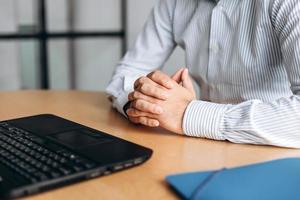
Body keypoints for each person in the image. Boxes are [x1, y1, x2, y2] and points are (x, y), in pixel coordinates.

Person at [106, 0, 300, 148]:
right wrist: (141, 105)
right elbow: (128, 71)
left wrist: (187, 113)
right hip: (203, 148)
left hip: (277, 153)